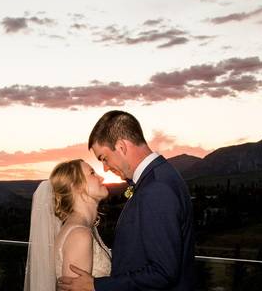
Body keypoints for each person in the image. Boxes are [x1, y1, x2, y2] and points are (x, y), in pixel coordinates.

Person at [58, 110, 195, 291]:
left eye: (104, 158)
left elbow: (163, 273)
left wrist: (97, 285)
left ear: (121, 147)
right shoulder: (160, 177)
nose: (105, 169)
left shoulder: (156, 189)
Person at [24, 159, 111, 291]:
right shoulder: (79, 235)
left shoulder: (82, 228)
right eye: (92, 173)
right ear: (75, 186)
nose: (101, 177)